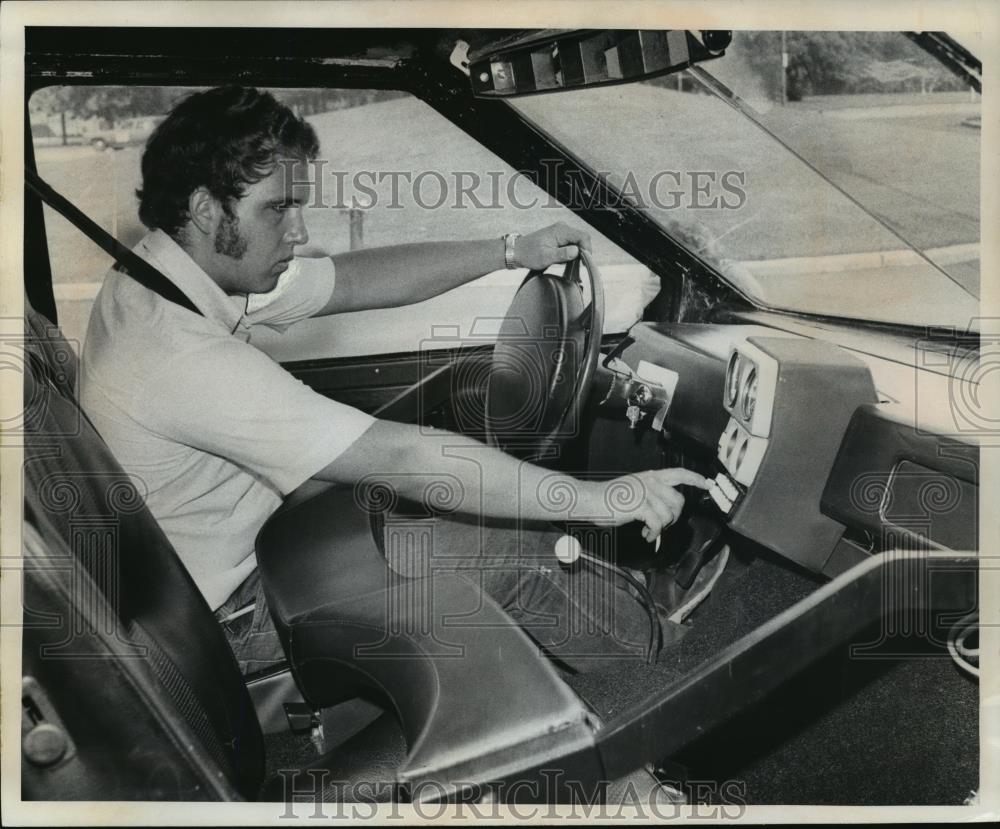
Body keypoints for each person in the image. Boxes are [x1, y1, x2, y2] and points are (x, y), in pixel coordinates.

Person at [81, 86, 710, 676]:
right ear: (201, 208)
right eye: (279, 209)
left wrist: (514, 249)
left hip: (257, 552)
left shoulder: (169, 275)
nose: (299, 234)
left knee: (472, 493)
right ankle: (672, 674)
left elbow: (356, 279)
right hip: (236, 619)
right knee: (508, 552)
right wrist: (603, 500)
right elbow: (405, 454)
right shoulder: (177, 352)